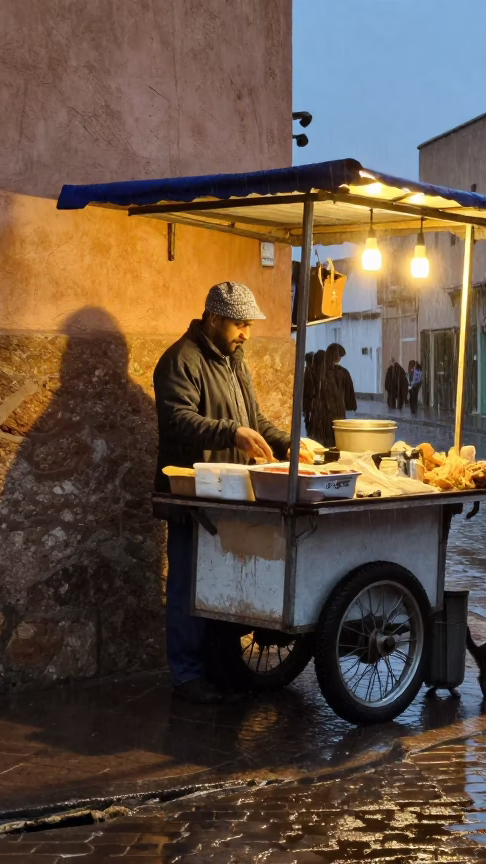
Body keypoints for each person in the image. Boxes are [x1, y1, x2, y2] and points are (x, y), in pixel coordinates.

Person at [153, 281, 309, 703]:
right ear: (213, 318)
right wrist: (231, 433)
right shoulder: (179, 361)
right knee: (188, 584)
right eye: (240, 324)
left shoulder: (234, 361)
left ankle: (219, 668)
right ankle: (186, 674)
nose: (246, 333)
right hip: (191, 495)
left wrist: (287, 443)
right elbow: (178, 420)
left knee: (222, 584)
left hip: (229, 495)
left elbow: (253, 418)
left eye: (249, 325)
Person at [327, 343, 358, 417]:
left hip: (326, 409)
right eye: (339, 355)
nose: (340, 358)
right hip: (338, 408)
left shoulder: (321, 370)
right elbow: (348, 391)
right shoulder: (343, 372)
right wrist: (350, 405)